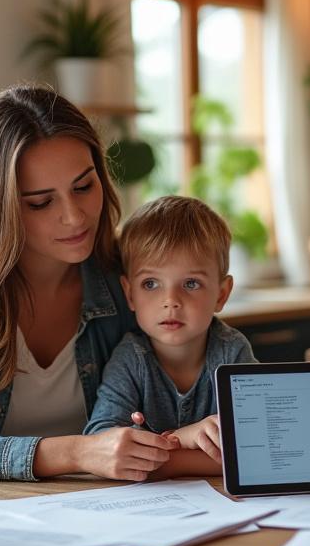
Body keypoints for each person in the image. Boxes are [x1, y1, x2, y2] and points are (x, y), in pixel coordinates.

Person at [0, 84, 182, 482]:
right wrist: (76, 452)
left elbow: (196, 385)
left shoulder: (129, 276)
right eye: (41, 202)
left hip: (115, 505)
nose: (74, 217)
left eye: (84, 186)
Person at [83, 195, 256, 474]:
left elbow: (257, 447)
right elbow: (101, 444)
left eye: (191, 283)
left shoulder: (232, 351)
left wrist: (158, 457)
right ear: (130, 294)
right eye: (151, 284)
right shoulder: (130, 358)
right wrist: (183, 438)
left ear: (221, 294)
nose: (171, 301)